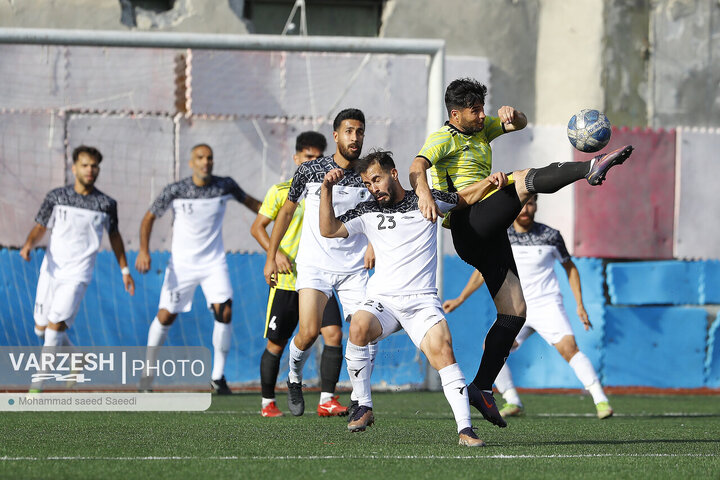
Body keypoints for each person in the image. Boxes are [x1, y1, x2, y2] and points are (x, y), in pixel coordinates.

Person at [410, 77, 632, 428]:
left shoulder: (482, 129)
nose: (482, 115)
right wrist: (423, 192)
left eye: (483, 108)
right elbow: (417, 166)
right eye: (475, 110)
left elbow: (519, 123)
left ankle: (482, 387)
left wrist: (516, 115)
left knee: (514, 313)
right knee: (523, 179)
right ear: (455, 114)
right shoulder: (443, 138)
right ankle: (589, 168)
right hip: (468, 224)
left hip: (490, 233)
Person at [319, 150, 504, 446]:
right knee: (357, 326)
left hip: (422, 303)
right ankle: (363, 405)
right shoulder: (366, 211)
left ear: (393, 174)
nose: (373, 188)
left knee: (443, 349)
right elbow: (328, 230)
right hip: (384, 301)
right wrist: (326, 190)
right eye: (367, 183)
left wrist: (491, 183)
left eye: (376, 179)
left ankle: (466, 430)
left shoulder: (426, 200)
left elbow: (465, 197)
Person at [443, 195, 613, 419]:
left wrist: (580, 305)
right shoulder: (500, 236)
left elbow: (570, 269)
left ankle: (601, 400)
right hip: (514, 307)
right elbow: (482, 272)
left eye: (530, 203)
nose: (525, 208)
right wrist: (460, 298)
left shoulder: (551, 235)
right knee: (491, 347)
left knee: (570, 349)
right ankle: (512, 400)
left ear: (536, 205)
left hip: (547, 305)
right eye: (521, 204)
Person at [263, 109, 375, 417]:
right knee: (309, 333)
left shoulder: (368, 172)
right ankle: (294, 376)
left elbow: (379, 214)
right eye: (349, 131)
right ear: (336, 136)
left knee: (365, 331)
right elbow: (285, 213)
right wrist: (272, 256)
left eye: (360, 132)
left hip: (354, 269)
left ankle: (360, 399)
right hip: (314, 266)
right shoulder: (311, 170)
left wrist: (373, 246)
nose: (355, 137)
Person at [135, 144, 261, 394]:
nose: (206, 162)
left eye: (209, 158)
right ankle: (146, 376)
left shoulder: (225, 185)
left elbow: (254, 204)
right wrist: (143, 250)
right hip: (181, 265)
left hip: (214, 263)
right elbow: (149, 217)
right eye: (200, 158)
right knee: (166, 314)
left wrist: (283, 209)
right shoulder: (176, 190)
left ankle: (218, 377)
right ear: (191, 163)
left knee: (224, 311)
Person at [251, 131, 348, 418]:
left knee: (333, 333)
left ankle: (327, 399)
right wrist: (275, 253)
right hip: (287, 280)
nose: (314, 161)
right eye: (308, 156)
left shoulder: (331, 189)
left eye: (319, 157)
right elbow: (258, 227)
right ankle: (268, 402)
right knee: (277, 343)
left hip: (320, 277)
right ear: (297, 159)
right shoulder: (282, 191)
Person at [20, 145, 135, 350]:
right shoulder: (56, 197)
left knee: (55, 325)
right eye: (85, 165)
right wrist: (29, 244)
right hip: (51, 271)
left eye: (94, 166)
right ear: (74, 168)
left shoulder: (106, 204)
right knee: (41, 328)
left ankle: (39, 381)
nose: (90, 170)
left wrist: (125, 271)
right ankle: (76, 356)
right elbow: (40, 227)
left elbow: (115, 236)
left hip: (78, 274)